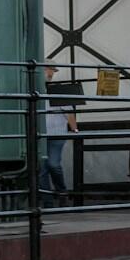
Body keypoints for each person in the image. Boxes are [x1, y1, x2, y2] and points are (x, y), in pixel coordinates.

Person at [42, 64, 79, 205]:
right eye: (48, 69)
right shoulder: (39, 90)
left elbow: (69, 113)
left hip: (56, 133)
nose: (51, 73)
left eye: (52, 70)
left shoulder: (56, 91)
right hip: (42, 134)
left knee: (52, 164)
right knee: (43, 168)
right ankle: (48, 201)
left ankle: (61, 192)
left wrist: (75, 129)